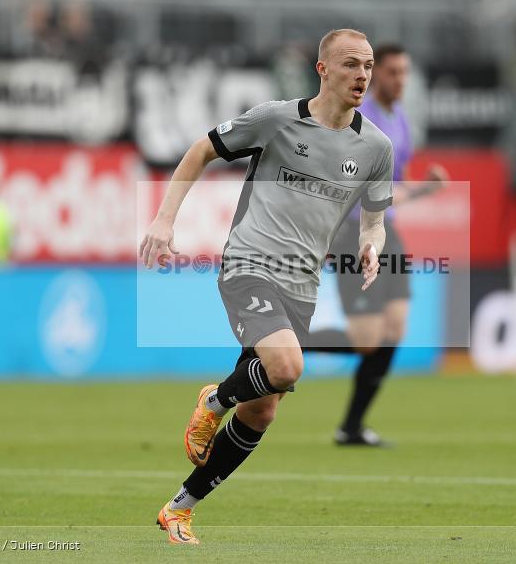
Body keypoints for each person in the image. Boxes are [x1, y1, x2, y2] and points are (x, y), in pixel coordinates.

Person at [138, 28, 393, 545]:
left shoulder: (376, 147)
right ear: (323, 69)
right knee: (287, 367)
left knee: (262, 409)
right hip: (249, 265)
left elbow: (375, 219)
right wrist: (164, 220)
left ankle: (180, 509)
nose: (362, 75)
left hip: (303, 285)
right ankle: (214, 401)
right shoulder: (277, 119)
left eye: (368, 65)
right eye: (351, 64)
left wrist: (372, 244)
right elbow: (200, 151)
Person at [307, 44, 449, 447]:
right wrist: (420, 192)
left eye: (404, 72)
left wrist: (420, 189)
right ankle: (279, 341)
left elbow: (393, 184)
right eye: (391, 72)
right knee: (367, 340)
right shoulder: (358, 120)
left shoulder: (398, 117)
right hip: (355, 234)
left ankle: (351, 427)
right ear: (373, 75)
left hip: (388, 231)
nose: (399, 80)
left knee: (395, 327)